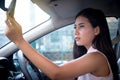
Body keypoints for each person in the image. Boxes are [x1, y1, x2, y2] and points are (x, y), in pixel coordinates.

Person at [5, 8, 119, 80]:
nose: (76, 32)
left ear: (96, 30)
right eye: (75, 27)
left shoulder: (96, 57)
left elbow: (57, 73)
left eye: (81, 26)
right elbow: (63, 73)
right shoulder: (93, 55)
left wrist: (19, 40)